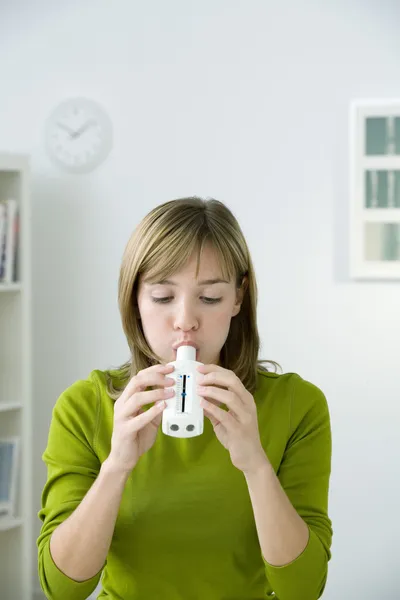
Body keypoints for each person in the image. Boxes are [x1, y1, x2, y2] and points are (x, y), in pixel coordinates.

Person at [37, 196, 333, 600]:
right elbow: (61, 588)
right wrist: (117, 466)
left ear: (238, 298)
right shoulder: (83, 406)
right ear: (134, 299)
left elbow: (302, 589)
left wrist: (256, 465)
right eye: (162, 297)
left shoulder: (299, 406)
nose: (185, 320)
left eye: (209, 298)